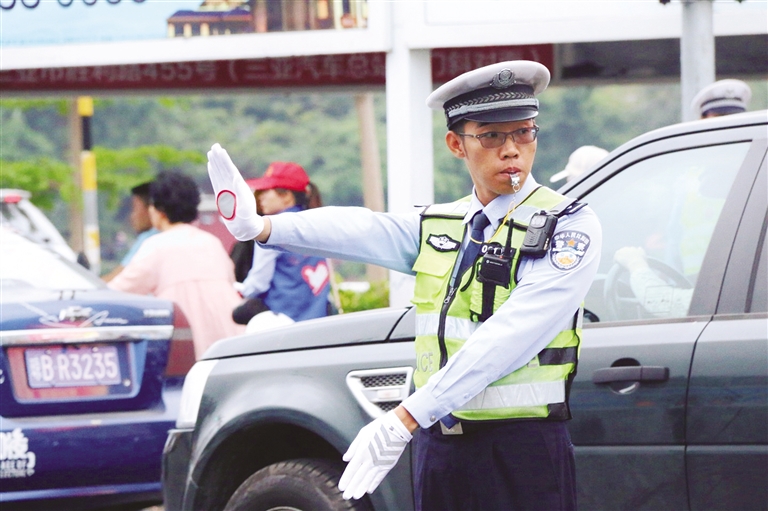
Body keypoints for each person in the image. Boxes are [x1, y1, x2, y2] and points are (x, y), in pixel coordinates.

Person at [207, 60, 602, 510]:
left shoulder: (568, 225)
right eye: (492, 136)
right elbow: (362, 228)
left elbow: (512, 334)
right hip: (440, 447)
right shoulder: (445, 223)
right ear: (456, 144)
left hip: (520, 450)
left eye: (524, 133)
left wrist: (407, 416)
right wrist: (262, 227)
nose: (512, 150)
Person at [108, 171, 244, 359]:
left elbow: (119, 291)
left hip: (187, 342)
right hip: (231, 338)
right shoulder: (211, 242)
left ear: (158, 210)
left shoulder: (155, 245)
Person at [232, 161, 331, 329]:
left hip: (282, 323)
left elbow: (259, 283)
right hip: (318, 323)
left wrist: (241, 290)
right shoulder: (316, 223)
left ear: (286, 195)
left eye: (266, 191)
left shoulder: (271, 228)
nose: (260, 197)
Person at [102, 181, 159, 283]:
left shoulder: (150, 239)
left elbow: (119, 277)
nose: (132, 216)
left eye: (135, 208)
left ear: (151, 210)